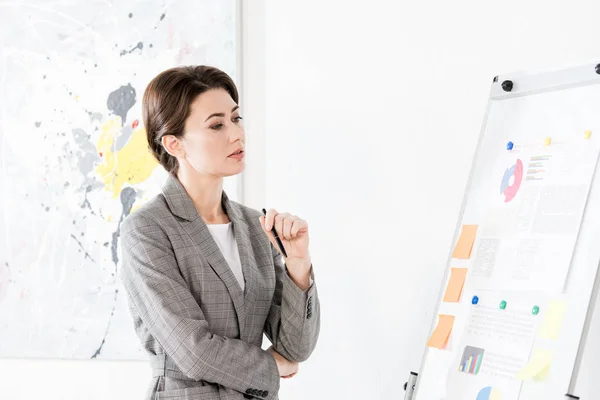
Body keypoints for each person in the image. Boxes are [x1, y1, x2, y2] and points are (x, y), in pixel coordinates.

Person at [119, 65, 320, 400]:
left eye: (236, 118)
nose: (236, 134)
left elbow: (295, 347)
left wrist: (298, 266)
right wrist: (272, 366)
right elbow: (194, 351)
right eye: (216, 125)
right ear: (174, 144)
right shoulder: (147, 230)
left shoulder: (256, 227)